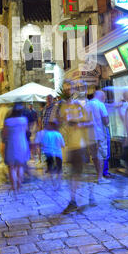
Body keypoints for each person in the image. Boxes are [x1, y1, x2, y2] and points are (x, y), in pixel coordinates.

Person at [52, 80, 95, 213]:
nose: (67, 91)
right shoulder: (62, 107)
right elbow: (58, 123)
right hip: (69, 145)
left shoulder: (79, 106)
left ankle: (74, 200)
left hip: (79, 144)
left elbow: (90, 123)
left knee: (75, 173)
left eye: (69, 89)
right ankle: (88, 197)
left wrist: (78, 125)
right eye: (65, 89)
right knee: (77, 173)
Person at [2, 103, 30, 193]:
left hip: (11, 144)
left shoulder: (8, 121)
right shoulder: (24, 120)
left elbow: (4, 134)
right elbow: (26, 131)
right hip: (22, 144)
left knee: (11, 167)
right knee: (20, 166)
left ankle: (13, 186)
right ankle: (19, 185)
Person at [87, 90, 110, 184]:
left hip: (89, 134)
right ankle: (100, 178)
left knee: (94, 155)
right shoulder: (100, 104)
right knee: (100, 155)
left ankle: (98, 175)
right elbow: (105, 120)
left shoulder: (87, 105)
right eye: (104, 97)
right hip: (100, 133)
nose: (104, 99)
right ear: (101, 96)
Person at [36, 121, 65, 187]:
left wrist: (39, 153)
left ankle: (53, 183)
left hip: (48, 153)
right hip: (58, 153)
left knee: (50, 168)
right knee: (59, 169)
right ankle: (59, 184)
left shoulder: (42, 133)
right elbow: (63, 145)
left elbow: (38, 144)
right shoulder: (58, 134)